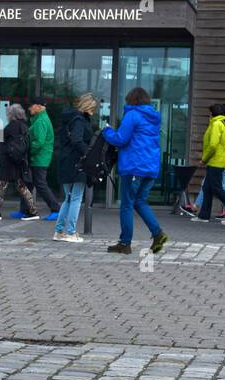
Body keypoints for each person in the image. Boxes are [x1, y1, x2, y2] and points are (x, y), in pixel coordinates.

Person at [103, 86, 168, 255]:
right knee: (140, 201)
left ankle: (125, 243)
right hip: (150, 167)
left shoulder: (132, 115)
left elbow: (120, 139)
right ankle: (157, 233)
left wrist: (107, 130)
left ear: (131, 100)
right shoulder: (154, 116)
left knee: (127, 205)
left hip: (134, 166)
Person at [52, 92, 96, 242]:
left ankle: (59, 231)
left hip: (65, 161)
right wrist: (88, 154)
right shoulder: (79, 120)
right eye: (93, 107)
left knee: (68, 198)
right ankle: (71, 232)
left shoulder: (69, 118)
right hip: (77, 163)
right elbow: (77, 140)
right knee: (76, 197)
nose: (94, 111)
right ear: (88, 106)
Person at [0, 103, 36, 220]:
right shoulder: (24, 127)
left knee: (0, 185)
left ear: (11, 115)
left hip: (8, 163)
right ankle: (33, 211)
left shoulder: (10, 127)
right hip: (20, 162)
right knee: (22, 187)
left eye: (8, 113)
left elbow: (2, 143)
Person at [17, 96, 61, 220]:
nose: (29, 108)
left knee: (40, 184)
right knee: (28, 183)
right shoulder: (38, 119)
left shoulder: (41, 121)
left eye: (31, 105)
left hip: (39, 158)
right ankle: (24, 210)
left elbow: (39, 142)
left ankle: (56, 209)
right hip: (38, 157)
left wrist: (27, 150)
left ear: (38, 106)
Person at [194, 104, 225, 222]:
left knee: (217, 189)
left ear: (213, 113)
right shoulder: (221, 124)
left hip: (215, 161)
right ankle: (203, 215)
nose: (208, 115)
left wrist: (204, 159)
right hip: (217, 161)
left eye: (209, 112)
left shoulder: (216, 124)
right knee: (207, 188)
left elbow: (212, 145)